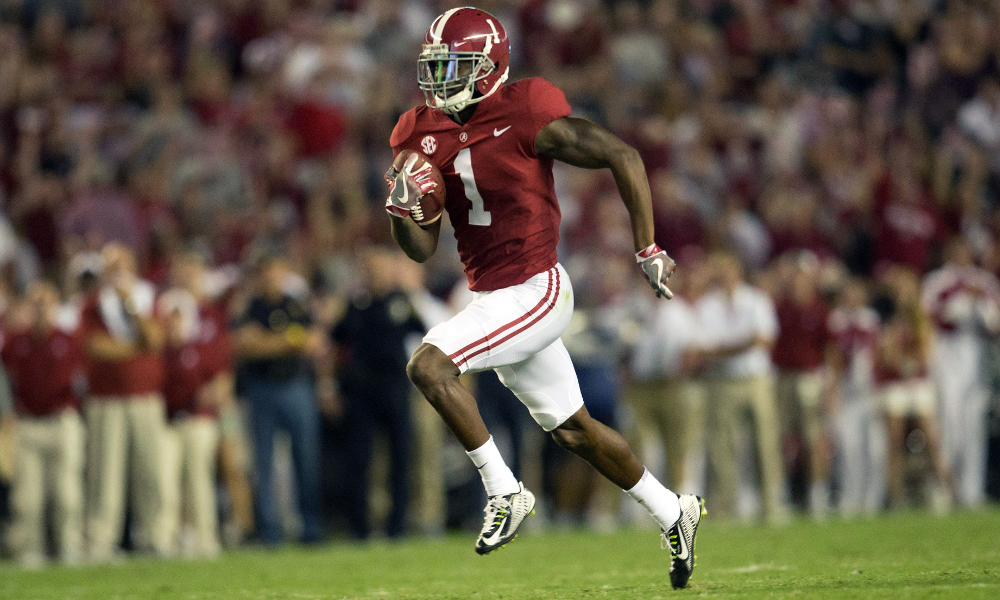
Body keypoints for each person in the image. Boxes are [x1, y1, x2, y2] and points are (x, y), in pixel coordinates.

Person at [384, 8, 703, 588]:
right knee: (574, 430)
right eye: (436, 66)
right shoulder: (418, 131)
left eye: (455, 65)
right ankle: (674, 511)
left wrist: (647, 249)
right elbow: (419, 249)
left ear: (490, 66)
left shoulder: (524, 110)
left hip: (535, 289)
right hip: (493, 299)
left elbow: (622, 155)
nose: (440, 79)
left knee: (428, 366)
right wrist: (407, 210)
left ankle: (505, 489)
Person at [80, 243, 171, 560]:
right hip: (106, 400)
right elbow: (96, 347)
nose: (116, 269)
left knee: (152, 471)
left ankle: (156, 536)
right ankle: (100, 541)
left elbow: (157, 340)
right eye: (111, 264)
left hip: (145, 397)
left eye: (121, 262)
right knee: (105, 475)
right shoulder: (93, 304)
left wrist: (130, 306)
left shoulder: (146, 297)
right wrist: (138, 348)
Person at [330, 247, 425, 539]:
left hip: (394, 387)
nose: (376, 273)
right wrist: (332, 385)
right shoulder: (355, 304)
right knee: (359, 458)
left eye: (381, 268)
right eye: (372, 268)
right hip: (361, 390)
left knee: (400, 457)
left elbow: (424, 335)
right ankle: (359, 526)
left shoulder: (402, 301)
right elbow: (336, 342)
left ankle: (397, 526)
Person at [234, 254, 324, 545]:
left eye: (274, 269)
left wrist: (269, 342)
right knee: (263, 462)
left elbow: (313, 342)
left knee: (306, 459)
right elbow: (246, 346)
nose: (270, 275)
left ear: (283, 271)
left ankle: (310, 527)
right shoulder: (250, 306)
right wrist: (289, 340)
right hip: (261, 389)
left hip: (296, 386)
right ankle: (269, 531)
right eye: (264, 270)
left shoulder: (295, 302)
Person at [697, 251, 787, 523]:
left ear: (738, 271)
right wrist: (743, 344)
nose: (724, 275)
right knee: (721, 445)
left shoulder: (756, 299)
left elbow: (765, 339)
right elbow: (706, 348)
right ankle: (726, 505)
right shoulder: (707, 304)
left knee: (765, 442)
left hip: (755, 378)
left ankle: (771, 504)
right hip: (722, 381)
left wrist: (725, 349)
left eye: (728, 269)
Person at [1, 282, 85, 567]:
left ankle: (69, 546)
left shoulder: (68, 338)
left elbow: (82, 378)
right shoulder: (16, 340)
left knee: (66, 492)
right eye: (35, 302)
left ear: (55, 306)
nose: (40, 308)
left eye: (46, 302)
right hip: (28, 422)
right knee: (28, 496)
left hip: (61, 419)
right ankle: (29, 548)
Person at [157, 253, 231, 557]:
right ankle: (164, 540)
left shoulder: (210, 319)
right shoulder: (160, 328)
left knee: (199, 478)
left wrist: (218, 392)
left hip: (200, 414)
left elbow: (222, 370)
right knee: (165, 481)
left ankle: (205, 538)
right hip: (167, 417)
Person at [921, 238, 1000, 508]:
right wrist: (957, 303)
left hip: (975, 351)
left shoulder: (984, 281)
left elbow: (994, 322)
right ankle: (946, 487)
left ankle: (972, 491)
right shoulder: (937, 280)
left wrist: (979, 304)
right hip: (947, 352)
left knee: (974, 423)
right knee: (949, 421)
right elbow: (928, 314)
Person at [826, 278, 886, 517]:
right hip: (845, 390)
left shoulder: (871, 319)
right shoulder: (836, 320)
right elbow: (831, 355)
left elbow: (880, 352)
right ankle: (849, 497)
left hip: (870, 390)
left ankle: (873, 498)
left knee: (875, 447)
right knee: (848, 447)